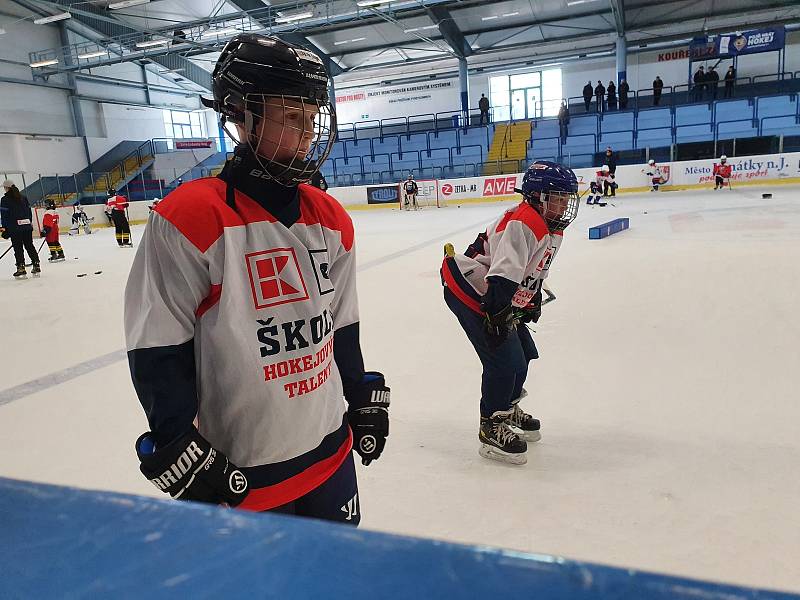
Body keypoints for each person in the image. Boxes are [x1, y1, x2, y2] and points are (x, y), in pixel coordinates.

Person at [124, 33, 390, 525]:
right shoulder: (189, 217)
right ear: (241, 114)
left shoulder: (330, 217)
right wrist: (176, 438)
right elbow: (157, 346)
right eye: (292, 117)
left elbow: (341, 325)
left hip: (331, 453)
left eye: (312, 119)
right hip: (243, 470)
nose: (308, 132)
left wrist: (359, 390)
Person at [440, 160, 579, 465]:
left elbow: (534, 268)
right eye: (558, 197)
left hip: (496, 292)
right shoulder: (525, 221)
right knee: (503, 361)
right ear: (538, 197)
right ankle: (491, 424)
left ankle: (507, 407)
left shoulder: (552, 228)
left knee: (525, 353)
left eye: (567, 198)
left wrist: (531, 299)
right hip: (472, 286)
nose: (564, 204)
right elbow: (503, 273)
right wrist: (499, 315)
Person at [1, 180, 40, 278]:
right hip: (26, 226)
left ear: (6, 188)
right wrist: (28, 223)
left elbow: (4, 216)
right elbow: (29, 212)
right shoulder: (23, 198)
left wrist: (5, 229)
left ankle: (21, 268)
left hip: (15, 228)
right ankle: (36, 264)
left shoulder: (5, 200)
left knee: (18, 248)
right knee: (29, 246)